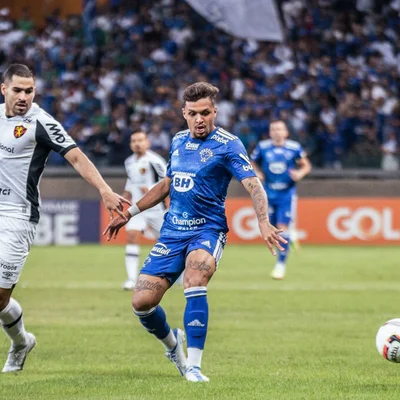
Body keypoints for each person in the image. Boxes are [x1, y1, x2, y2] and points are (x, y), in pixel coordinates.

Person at [0, 64, 129, 373]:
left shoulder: (42, 123)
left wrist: (104, 190)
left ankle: (21, 343)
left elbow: (76, 156)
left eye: (29, 91)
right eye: (18, 90)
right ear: (3, 89)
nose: (24, 96)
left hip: (16, 219)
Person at [103, 82, 286, 382]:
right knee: (142, 303)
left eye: (205, 113)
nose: (199, 119)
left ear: (214, 111)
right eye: (192, 114)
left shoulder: (229, 144)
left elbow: (253, 184)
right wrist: (130, 213)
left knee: (195, 278)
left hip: (207, 230)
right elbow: (166, 184)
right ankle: (174, 346)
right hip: (172, 231)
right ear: (184, 113)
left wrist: (263, 221)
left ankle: (195, 367)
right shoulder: (177, 141)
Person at [250, 120, 311, 280]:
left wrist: (300, 174)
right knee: (274, 228)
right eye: (273, 129)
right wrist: (257, 173)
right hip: (268, 194)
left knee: (282, 228)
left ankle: (280, 265)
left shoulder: (294, 148)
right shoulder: (262, 147)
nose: (276, 132)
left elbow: (306, 165)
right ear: (270, 133)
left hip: (286, 193)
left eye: (279, 129)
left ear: (286, 132)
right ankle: (292, 237)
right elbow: (251, 162)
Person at [121, 131, 169, 290]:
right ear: (130, 144)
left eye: (140, 140)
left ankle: (178, 275)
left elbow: (168, 181)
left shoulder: (155, 161)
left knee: (168, 243)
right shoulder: (128, 162)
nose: (137, 143)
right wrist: (123, 201)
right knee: (132, 236)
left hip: (156, 208)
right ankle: (131, 279)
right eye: (134, 141)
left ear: (147, 142)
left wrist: (149, 189)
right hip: (137, 208)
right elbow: (130, 183)